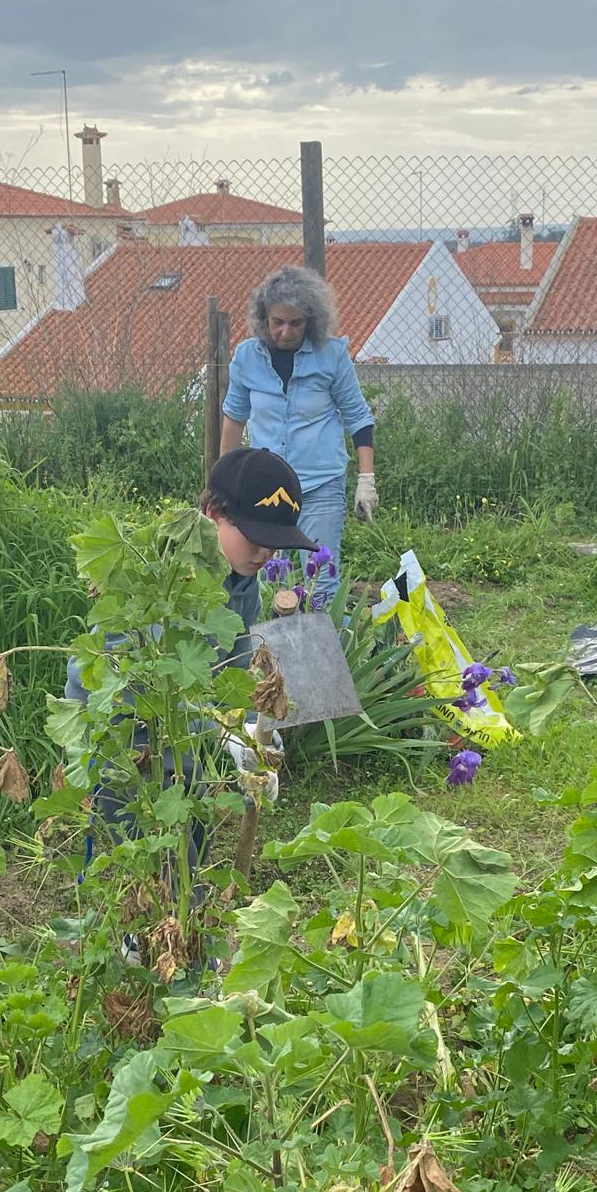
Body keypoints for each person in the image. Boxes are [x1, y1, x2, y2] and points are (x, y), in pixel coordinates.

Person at [65, 447, 316, 906]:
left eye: (274, 541)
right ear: (212, 515)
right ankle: (124, 935)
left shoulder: (242, 581)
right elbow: (148, 684)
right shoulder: (169, 577)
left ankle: (179, 929)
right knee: (129, 844)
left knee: (190, 823)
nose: (265, 552)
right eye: (254, 535)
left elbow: (233, 669)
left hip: (185, 730)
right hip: (124, 727)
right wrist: (223, 735)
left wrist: (251, 735)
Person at [221, 264, 377, 607]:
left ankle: (322, 657)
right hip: (265, 489)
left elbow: (359, 417)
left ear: (311, 321)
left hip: (320, 483)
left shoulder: (331, 356)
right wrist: (223, 483)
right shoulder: (247, 357)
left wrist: (367, 479)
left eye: (296, 323)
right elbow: (234, 417)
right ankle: (268, 657)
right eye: (278, 322)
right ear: (265, 319)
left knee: (319, 585)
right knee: (268, 581)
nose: (286, 332)